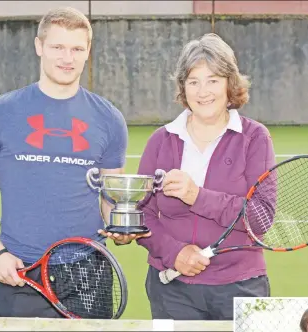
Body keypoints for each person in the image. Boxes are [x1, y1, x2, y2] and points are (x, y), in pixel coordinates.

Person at [0, 7, 149, 319]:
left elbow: (108, 196)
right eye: (57, 47)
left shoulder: (109, 118)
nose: (67, 58)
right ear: (39, 46)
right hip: (20, 270)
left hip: (90, 269)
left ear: (88, 52)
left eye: (77, 49)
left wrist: (120, 226)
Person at [103, 33, 276, 320]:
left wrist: (197, 196)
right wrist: (174, 253)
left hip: (242, 287)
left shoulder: (255, 138)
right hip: (172, 291)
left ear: (230, 84)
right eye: (193, 81)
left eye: (213, 80)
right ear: (183, 87)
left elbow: (261, 218)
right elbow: (140, 213)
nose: (202, 91)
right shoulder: (161, 140)